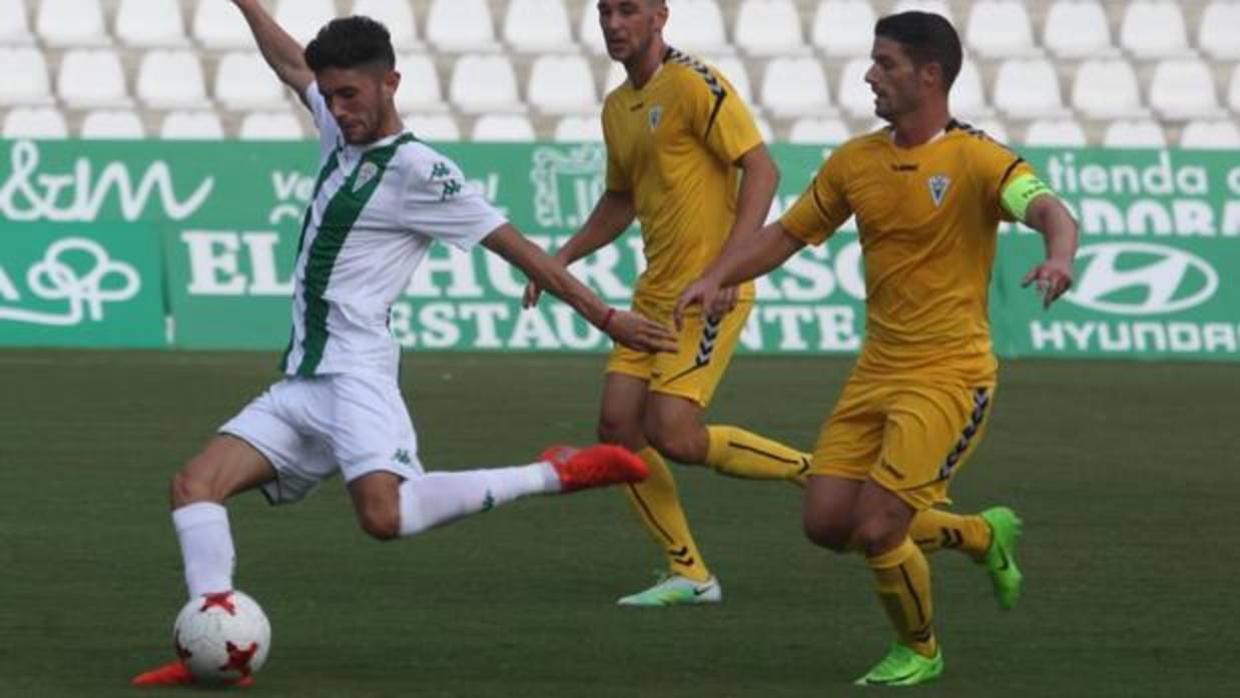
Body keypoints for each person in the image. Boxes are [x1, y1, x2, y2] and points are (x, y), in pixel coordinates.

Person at [133, 1, 681, 687]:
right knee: (193, 486)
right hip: (304, 381)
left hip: (358, 376)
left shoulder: (421, 171)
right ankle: (213, 635)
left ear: (391, 83)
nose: (337, 108)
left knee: (384, 518)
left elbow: (518, 249)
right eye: (329, 96)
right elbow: (287, 62)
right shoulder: (338, 126)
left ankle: (556, 472)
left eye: (350, 95)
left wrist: (606, 317)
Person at [677, 11, 1079, 686]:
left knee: (878, 529)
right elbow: (785, 236)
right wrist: (717, 275)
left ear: (930, 75)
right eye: (873, 61)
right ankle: (980, 535)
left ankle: (920, 650)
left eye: (885, 63)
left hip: (950, 379)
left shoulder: (978, 158)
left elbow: (1047, 209)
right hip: (876, 373)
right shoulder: (855, 161)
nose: (870, 75)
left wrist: (1058, 256)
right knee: (826, 520)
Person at [524, 0, 810, 607]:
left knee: (673, 432)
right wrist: (562, 259)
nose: (613, 24)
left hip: (710, 288)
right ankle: (690, 573)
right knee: (617, 429)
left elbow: (762, 170)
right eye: (604, 12)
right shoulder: (617, 108)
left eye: (627, 10)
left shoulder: (693, 84)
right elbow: (619, 201)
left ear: (660, 15)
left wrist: (729, 268)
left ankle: (822, 472)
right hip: (656, 293)